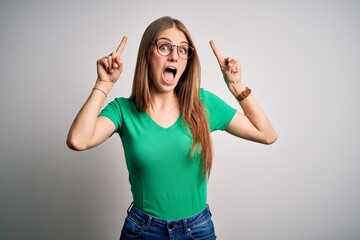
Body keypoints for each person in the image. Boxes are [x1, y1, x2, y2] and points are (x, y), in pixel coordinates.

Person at [67, 16, 277, 240]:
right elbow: (78, 140)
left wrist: (237, 86)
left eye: (183, 50)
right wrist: (103, 85)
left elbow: (267, 134)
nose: (174, 56)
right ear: (147, 54)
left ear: (187, 61)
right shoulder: (123, 110)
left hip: (198, 230)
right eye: (164, 47)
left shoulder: (204, 104)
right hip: (143, 231)